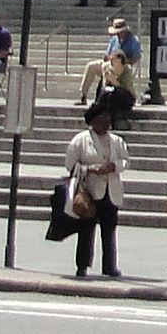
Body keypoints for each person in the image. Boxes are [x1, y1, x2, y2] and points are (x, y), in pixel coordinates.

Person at [64, 103, 124, 278]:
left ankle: (110, 266)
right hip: (89, 191)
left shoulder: (117, 141)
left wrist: (115, 166)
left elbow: (125, 160)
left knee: (109, 229)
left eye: (108, 118)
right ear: (93, 121)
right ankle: (82, 265)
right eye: (102, 118)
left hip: (110, 190)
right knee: (86, 229)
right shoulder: (80, 140)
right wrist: (91, 169)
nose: (107, 121)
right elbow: (70, 165)